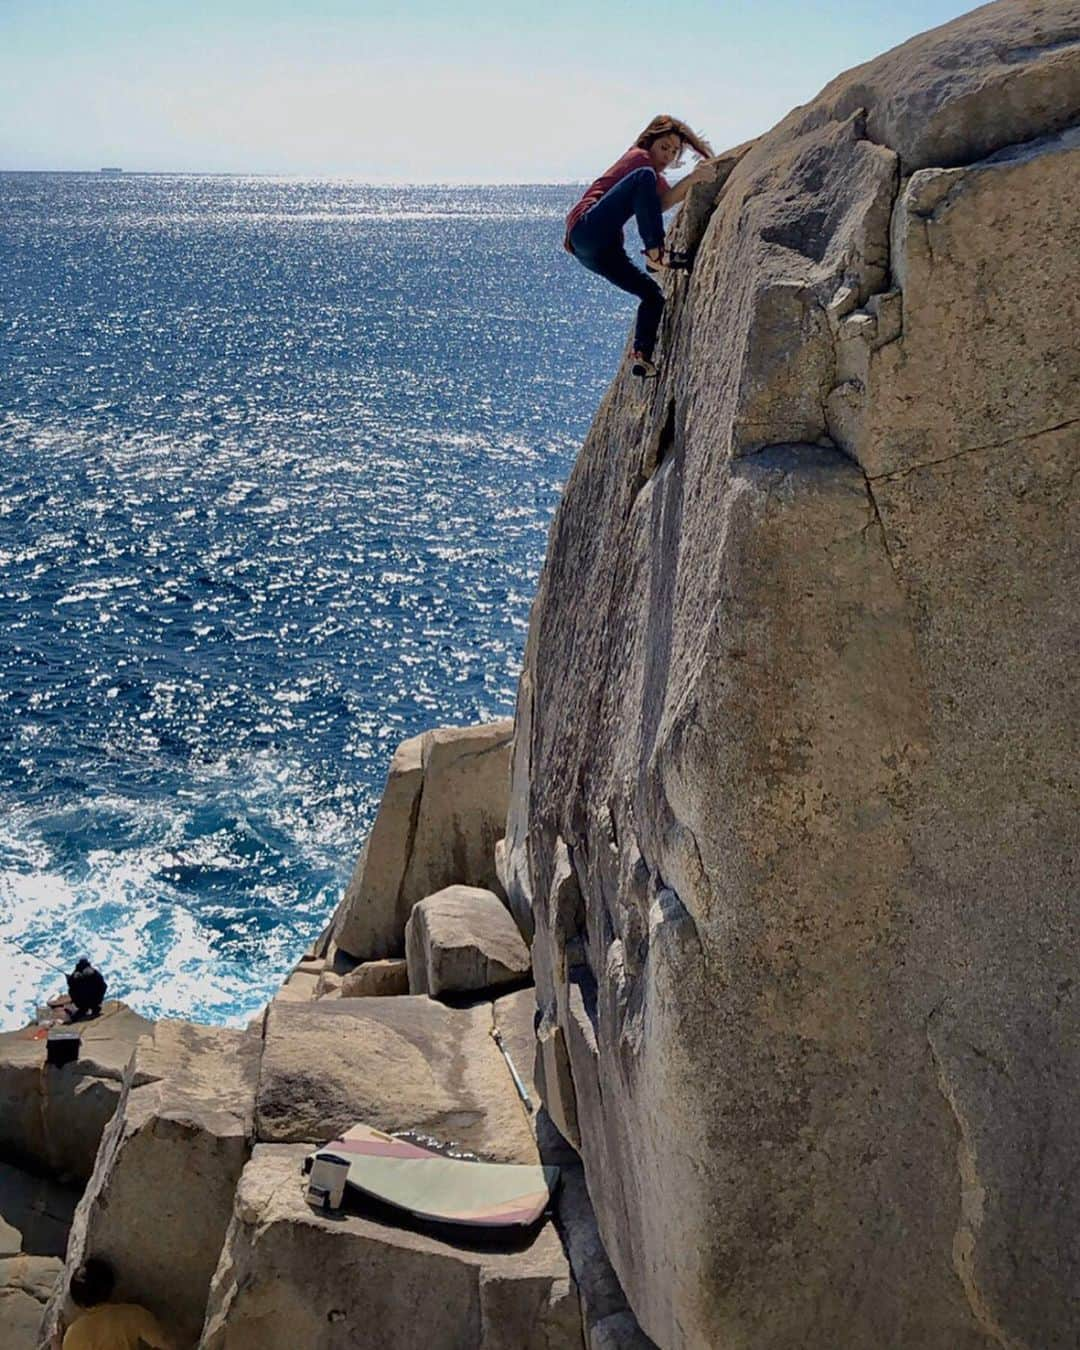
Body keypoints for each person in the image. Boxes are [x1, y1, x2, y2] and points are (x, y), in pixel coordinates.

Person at [565, 115, 715, 378]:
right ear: (650, 143)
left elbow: (659, 204)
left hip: (599, 252)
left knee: (652, 295)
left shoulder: (648, 176)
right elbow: (654, 197)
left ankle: (641, 356)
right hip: (585, 228)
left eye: (674, 151)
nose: (668, 156)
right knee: (644, 176)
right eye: (664, 147)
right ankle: (655, 253)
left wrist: (693, 179)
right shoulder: (638, 159)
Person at [53, 1257, 173, 1350]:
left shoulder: (75, 1332)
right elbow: (166, 1344)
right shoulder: (134, 1314)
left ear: (78, 1302)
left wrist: (57, 1345)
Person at [47, 957, 108, 1023]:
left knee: (77, 995)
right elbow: (104, 986)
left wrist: (69, 979)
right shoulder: (96, 975)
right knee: (88, 997)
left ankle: (83, 1010)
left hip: (82, 1002)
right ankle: (94, 1008)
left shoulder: (76, 976)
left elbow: (71, 987)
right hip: (95, 1000)